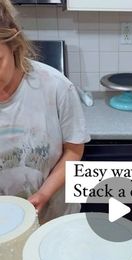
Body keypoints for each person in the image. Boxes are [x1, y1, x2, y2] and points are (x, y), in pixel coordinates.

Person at [0, 0, 90, 223]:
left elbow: (74, 151)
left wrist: (43, 194)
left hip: (55, 216)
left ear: (13, 41)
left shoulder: (56, 86)